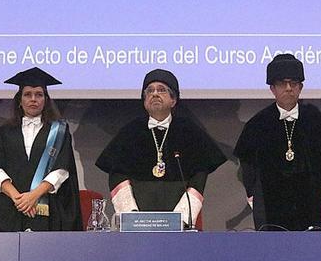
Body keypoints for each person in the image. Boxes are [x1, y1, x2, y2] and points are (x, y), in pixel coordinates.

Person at [95, 69, 226, 228]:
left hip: (178, 219)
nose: (155, 94)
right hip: (137, 222)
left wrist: (181, 218)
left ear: (173, 100)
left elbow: (199, 175)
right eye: (150, 91)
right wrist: (131, 216)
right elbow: (116, 172)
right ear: (144, 100)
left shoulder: (189, 131)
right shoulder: (130, 132)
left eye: (162, 90)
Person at [234, 54, 321, 231]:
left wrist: (320, 192)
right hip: (270, 204)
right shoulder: (258, 123)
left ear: (301, 87)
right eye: (283, 83)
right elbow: (248, 167)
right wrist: (254, 196)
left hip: (310, 203)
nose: (289, 88)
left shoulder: (314, 120)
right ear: (272, 89)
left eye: (294, 83)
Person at [0, 67, 82, 231]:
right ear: (19, 100)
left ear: (46, 100)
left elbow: (61, 170)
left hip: (47, 207)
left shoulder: (59, 132)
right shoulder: (3, 132)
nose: (33, 99)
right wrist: (19, 199)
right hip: (10, 206)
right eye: (28, 94)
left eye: (39, 94)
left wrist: (34, 196)